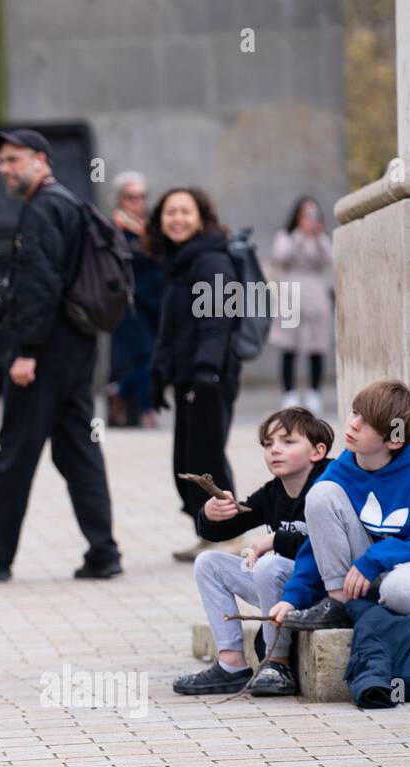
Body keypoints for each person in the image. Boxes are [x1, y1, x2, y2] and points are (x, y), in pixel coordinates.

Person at [0, 128, 121, 582]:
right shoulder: (67, 202)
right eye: (1, 161)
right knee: (78, 448)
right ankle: (104, 552)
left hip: (46, 352)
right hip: (76, 348)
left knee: (15, 451)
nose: (4, 168)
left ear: (41, 160)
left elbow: (40, 287)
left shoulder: (43, 209)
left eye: (13, 160)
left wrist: (26, 352)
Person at [173, 407, 333, 697]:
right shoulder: (274, 492)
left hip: (321, 591)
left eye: (287, 441)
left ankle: (277, 664)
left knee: (269, 566)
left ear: (317, 451)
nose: (275, 450)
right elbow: (223, 531)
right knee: (208, 562)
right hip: (281, 590)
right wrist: (211, 515)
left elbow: (329, 546)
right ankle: (231, 664)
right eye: (268, 444)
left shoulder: (330, 485)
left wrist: (274, 542)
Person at [269, 380, 410, 632]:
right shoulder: (341, 470)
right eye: (355, 413)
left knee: (401, 591)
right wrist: (292, 597)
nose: (353, 424)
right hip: (363, 573)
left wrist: (377, 559)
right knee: (320, 494)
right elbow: (320, 541)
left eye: (367, 422)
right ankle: (339, 605)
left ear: (395, 439)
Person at [147, 187, 242, 563]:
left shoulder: (211, 260)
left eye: (186, 212)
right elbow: (170, 329)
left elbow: (219, 320)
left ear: (202, 217)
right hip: (190, 376)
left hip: (210, 376)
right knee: (190, 462)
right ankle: (211, 533)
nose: (177, 219)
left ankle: (230, 535)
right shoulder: (179, 263)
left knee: (208, 458)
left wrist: (207, 373)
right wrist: (159, 374)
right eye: (170, 212)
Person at [106, 172, 162, 428]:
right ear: (121, 199)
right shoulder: (115, 228)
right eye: (131, 197)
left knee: (155, 356)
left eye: (141, 196)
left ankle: (120, 389)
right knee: (145, 356)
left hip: (156, 301)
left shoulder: (154, 226)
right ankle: (146, 410)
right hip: (129, 303)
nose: (137, 201)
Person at [269, 196, 333, 415]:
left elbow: (329, 259)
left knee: (316, 346)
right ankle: (289, 393)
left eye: (313, 214)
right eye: (305, 214)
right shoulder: (286, 236)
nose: (309, 219)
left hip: (315, 291)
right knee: (289, 346)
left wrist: (318, 236)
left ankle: (314, 392)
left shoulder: (320, 239)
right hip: (291, 291)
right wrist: (300, 235)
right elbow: (280, 256)